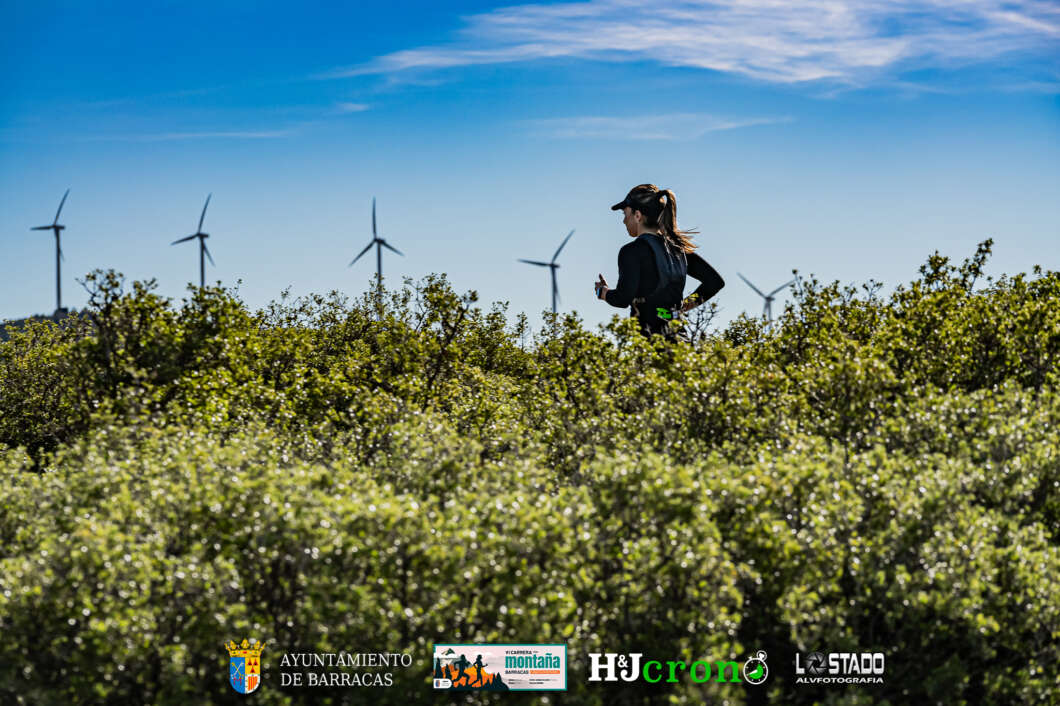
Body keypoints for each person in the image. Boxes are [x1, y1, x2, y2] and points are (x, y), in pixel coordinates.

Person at [595, 184, 724, 337]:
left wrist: (602, 292)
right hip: (680, 338)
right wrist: (681, 308)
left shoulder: (631, 251)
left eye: (625, 214)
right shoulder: (679, 250)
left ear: (637, 215)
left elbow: (623, 298)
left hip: (649, 340)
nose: (624, 221)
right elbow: (714, 282)